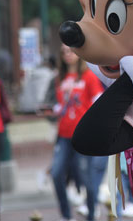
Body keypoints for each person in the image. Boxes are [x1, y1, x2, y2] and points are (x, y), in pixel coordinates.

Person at [49, 44, 103, 221]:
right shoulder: (60, 78)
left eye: (70, 51)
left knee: (85, 177)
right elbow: (60, 105)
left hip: (82, 136)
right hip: (63, 136)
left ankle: (92, 214)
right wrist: (52, 110)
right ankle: (66, 215)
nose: (67, 55)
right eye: (63, 51)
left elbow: (98, 101)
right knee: (56, 173)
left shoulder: (89, 76)